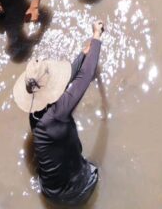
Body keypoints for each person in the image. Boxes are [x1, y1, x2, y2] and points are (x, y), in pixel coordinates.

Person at [14, 19, 105, 204]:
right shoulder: (59, 112)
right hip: (76, 192)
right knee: (97, 170)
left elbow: (69, 76)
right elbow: (85, 76)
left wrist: (83, 54)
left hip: (49, 191)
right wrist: (96, 36)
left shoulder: (35, 113)